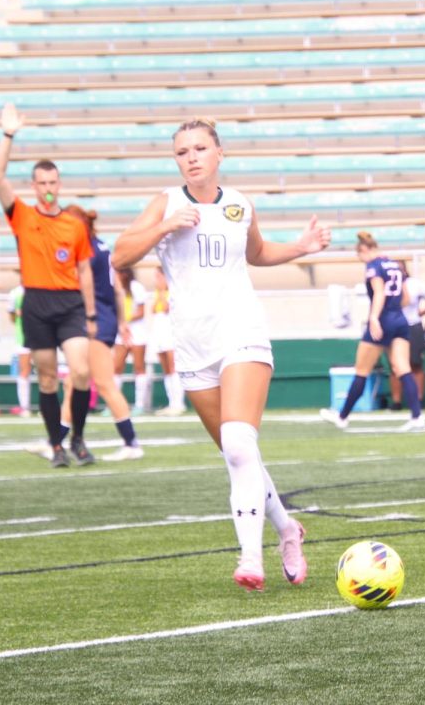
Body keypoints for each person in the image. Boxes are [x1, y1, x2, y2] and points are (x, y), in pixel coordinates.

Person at [111, 116, 330, 592]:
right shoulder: (166, 203)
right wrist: (165, 226)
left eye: (199, 149)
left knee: (237, 442)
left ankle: (251, 557)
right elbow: (119, 255)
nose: (191, 157)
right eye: (182, 152)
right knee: (240, 453)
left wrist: (300, 247)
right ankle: (288, 530)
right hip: (192, 343)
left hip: (242, 331)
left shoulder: (239, 204)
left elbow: (256, 253)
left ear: (218, 153)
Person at [0, 103, 97, 468]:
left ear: (58, 184)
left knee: (81, 371)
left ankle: (79, 438)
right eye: (42, 183)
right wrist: (8, 135)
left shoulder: (74, 225)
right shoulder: (21, 215)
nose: (48, 189)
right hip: (35, 303)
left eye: (53, 183)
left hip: (69, 304)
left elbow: (84, 271)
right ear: (34, 186)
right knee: (48, 377)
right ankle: (57, 446)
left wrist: (92, 312)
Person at [55, 205, 143, 461]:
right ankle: (57, 440)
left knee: (102, 383)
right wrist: (122, 321)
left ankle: (131, 442)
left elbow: (84, 287)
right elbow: (116, 289)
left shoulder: (86, 251)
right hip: (104, 319)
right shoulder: (102, 246)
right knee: (74, 382)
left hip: (93, 321)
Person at [321, 232, 424, 431]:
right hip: (400, 319)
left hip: (384, 318)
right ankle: (417, 416)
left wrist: (374, 317)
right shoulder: (394, 264)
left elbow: (379, 292)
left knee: (362, 369)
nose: (361, 260)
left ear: (365, 250)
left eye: (360, 255)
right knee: (402, 368)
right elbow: (405, 297)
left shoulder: (374, 266)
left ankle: (342, 416)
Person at [387, 263, 425, 413]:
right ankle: (396, 401)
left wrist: (421, 312)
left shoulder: (415, 284)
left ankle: (419, 400)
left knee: (416, 364)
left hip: (412, 325)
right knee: (395, 366)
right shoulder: (387, 285)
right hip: (394, 326)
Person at [113, 267, 151, 415]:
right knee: (116, 367)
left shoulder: (137, 288)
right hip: (121, 333)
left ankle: (140, 404)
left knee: (139, 367)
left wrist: (126, 319)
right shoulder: (115, 288)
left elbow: (141, 311)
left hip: (138, 332)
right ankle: (115, 405)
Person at [149, 267, 187, 416]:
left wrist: (163, 292)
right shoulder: (157, 293)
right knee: (165, 368)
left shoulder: (172, 292)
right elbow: (153, 309)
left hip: (170, 332)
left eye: (158, 276)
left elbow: (166, 308)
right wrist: (159, 293)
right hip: (158, 331)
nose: (156, 280)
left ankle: (179, 403)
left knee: (173, 367)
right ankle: (171, 402)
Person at [7, 284, 32, 416]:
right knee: (24, 371)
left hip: (42, 335)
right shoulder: (15, 293)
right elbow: (11, 316)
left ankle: (48, 407)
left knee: (46, 371)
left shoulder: (39, 289)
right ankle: (25, 407)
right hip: (23, 337)